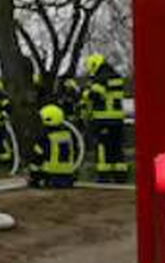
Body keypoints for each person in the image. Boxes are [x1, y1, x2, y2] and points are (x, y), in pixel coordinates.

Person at [84, 53, 129, 183]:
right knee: (117, 147)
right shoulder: (116, 77)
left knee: (103, 147)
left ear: (94, 64)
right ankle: (120, 175)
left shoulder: (100, 78)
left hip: (103, 119)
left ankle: (104, 175)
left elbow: (95, 96)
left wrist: (86, 93)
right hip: (117, 118)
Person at [29, 104, 77, 188]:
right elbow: (75, 151)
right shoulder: (69, 135)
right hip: (68, 175)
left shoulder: (46, 137)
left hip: (51, 175)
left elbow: (37, 157)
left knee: (34, 164)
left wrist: (34, 177)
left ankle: (38, 181)